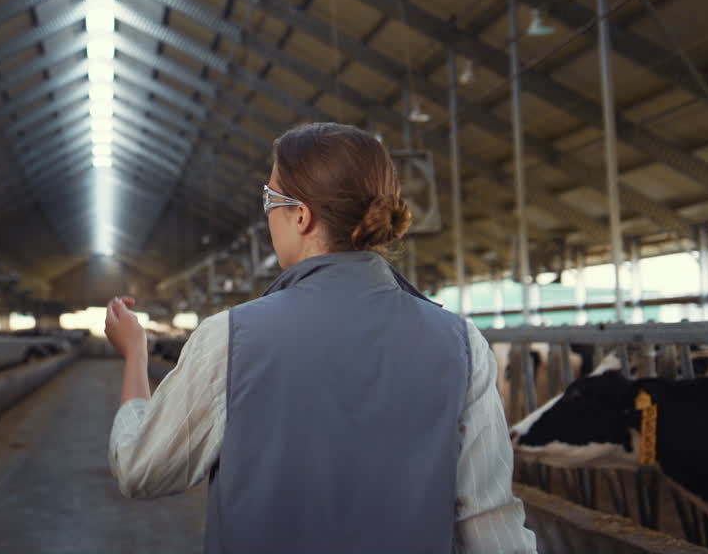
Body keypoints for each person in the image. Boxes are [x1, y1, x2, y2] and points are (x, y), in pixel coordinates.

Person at [104, 122, 537, 554]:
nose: (268, 212)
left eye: (269, 199)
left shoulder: (229, 339)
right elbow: (489, 524)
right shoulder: (462, 344)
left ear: (301, 215)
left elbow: (140, 469)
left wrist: (135, 354)